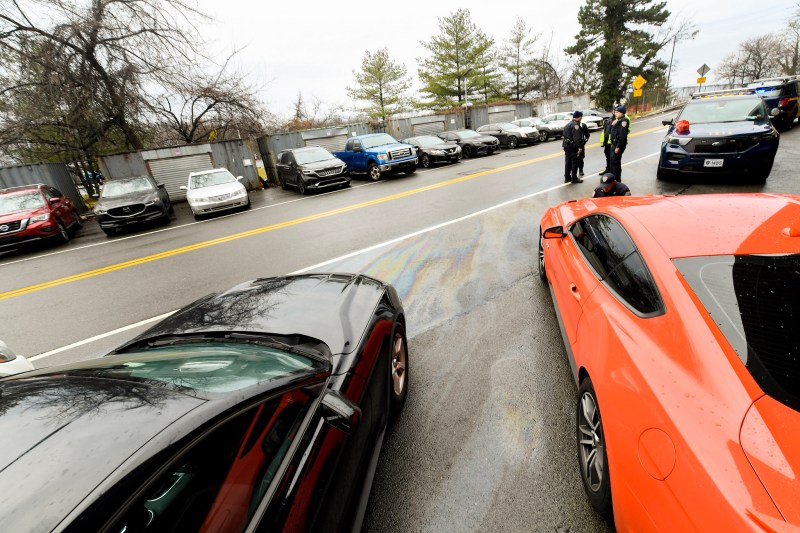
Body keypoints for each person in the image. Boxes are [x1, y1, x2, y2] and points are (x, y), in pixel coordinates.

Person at [562, 110, 586, 184]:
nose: (581, 118)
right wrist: (580, 148)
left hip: (566, 145)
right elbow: (577, 138)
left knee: (567, 162)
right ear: (578, 117)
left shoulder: (567, 124)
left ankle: (567, 177)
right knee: (574, 162)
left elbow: (564, 136)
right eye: (581, 117)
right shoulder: (576, 125)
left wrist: (563, 145)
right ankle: (574, 178)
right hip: (573, 146)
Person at [609, 105, 629, 182]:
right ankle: (614, 179)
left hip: (617, 145)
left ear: (622, 113)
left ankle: (616, 180)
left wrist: (618, 146)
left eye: (617, 112)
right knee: (614, 162)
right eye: (615, 112)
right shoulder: (619, 120)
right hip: (614, 144)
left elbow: (622, 136)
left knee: (615, 164)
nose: (615, 113)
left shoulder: (624, 121)